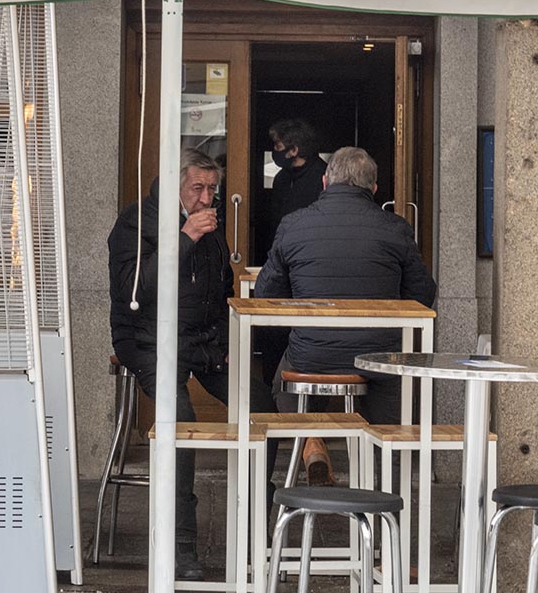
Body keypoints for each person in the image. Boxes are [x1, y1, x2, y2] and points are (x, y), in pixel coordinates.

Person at [108, 147, 276, 581]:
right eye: (197, 188)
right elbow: (134, 291)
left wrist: (224, 343)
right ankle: (181, 545)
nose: (206, 198)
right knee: (179, 420)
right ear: (175, 185)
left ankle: (255, 529)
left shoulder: (211, 228)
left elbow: (222, 290)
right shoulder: (136, 222)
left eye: (212, 189)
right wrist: (183, 238)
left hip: (201, 341)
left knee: (262, 406)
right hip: (146, 340)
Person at [256, 146, 436, 483]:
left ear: (325, 182)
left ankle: (312, 441)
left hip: (312, 356)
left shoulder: (294, 225)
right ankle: (381, 485)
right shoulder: (396, 228)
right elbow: (423, 296)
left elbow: (266, 295)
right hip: (379, 360)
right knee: (390, 408)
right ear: (374, 188)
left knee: (284, 387)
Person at [257, 120, 329, 386]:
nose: (275, 151)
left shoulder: (323, 179)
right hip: (280, 265)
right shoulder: (281, 179)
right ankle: (272, 393)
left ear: (294, 149)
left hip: (310, 269)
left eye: (278, 146)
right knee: (273, 334)